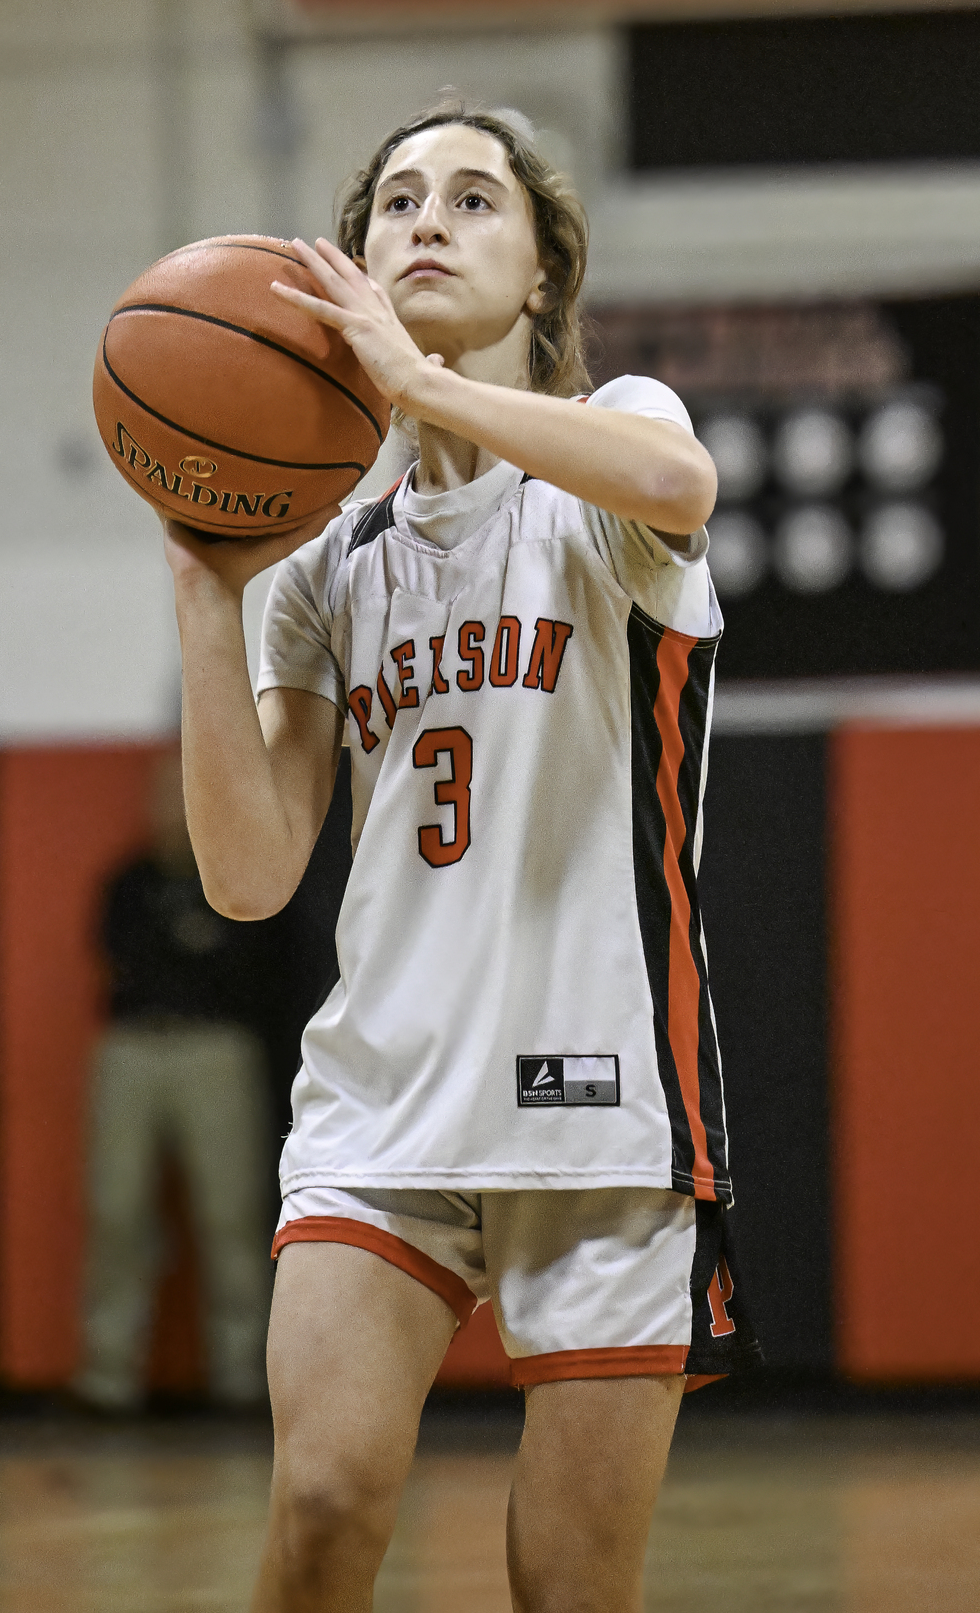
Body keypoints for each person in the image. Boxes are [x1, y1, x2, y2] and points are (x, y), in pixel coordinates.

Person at [164, 99, 758, 1612]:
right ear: (353, 261)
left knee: (564, 1583)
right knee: (321, 1499)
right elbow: (247, 874)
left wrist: (421, 383)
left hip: (601, 1104)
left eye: (475, 200)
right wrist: (199, 586)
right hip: (385, 1098)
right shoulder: (328, 566)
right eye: (399, 200)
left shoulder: (616, 446)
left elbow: (679, 489)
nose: (428, 219)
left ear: (544, 274)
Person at [73, 747, 270, 1414]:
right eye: (162, 797)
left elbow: (246, 970)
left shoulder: (240, 880)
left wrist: (189, 949)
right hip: (134, 1050)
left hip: (214, 1049)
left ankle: (241, 1377)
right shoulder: (126, 884)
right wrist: (187, 945)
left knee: (230, 1214)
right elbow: (121, 961)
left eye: (183, 796)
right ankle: (107, 1377)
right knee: (117, 1210)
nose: (171, 812)